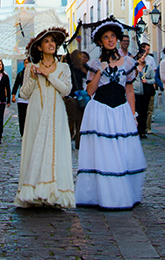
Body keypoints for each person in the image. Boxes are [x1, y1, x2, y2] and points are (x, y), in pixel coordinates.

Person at [76, 19, 146, 210]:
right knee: (104, 153)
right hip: (100, 111)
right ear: (100, 41)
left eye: (112, 36)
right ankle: (103, 196)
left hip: (121, 111)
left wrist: (133, 115)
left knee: (123, 152)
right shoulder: (93, 64)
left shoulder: (128, 62)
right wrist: (100, 70)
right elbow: (90, 91)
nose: (110, 40)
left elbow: (129, 90)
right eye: (106, 37)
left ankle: (124, 193)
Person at [14, 28, 75, 208]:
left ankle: (55, 194)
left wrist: (48, 75)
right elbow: (24, 94)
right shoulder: (30, 68)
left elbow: (66, 89)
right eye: (46, 42)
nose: (51, 44)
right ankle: (33, 193)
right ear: (39, 47)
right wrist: (32, 78)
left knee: (55, 150)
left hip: (56, 113)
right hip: (36, 112)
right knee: (35, 147)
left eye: (53, 42)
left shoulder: (63, 67)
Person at [63, 50, 88, 149]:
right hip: (76, 97)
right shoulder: (74, 68)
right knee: (75, 121)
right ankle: (75, 143)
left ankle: (72, 143)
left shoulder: (78, 68)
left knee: (75, 121)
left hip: (77, 98)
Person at [132, 47, 155, 139]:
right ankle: (136, 130)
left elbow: (153, 79)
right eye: (141, 56)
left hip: (145, 92)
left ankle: (143, 130)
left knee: (144, 112)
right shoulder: (134, 67)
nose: (143, 58)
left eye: (144, 56)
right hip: (136, 92)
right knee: (137, 111)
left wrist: (148, 81)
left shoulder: (148, 68)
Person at [142, 43, 157, 133]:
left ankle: (148, 127)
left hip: (148, 85)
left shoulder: (151, 60)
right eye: (147, 49)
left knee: (149, 108)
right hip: (140, 87)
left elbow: (154, 73)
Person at [11, 66, 29, 136]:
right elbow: (16, 85)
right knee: (22, 117)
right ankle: (23, 133)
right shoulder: (21, 74)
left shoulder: (34, 73)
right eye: (26, 63)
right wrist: (13, 95)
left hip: (30, 99)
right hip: (21, 99)